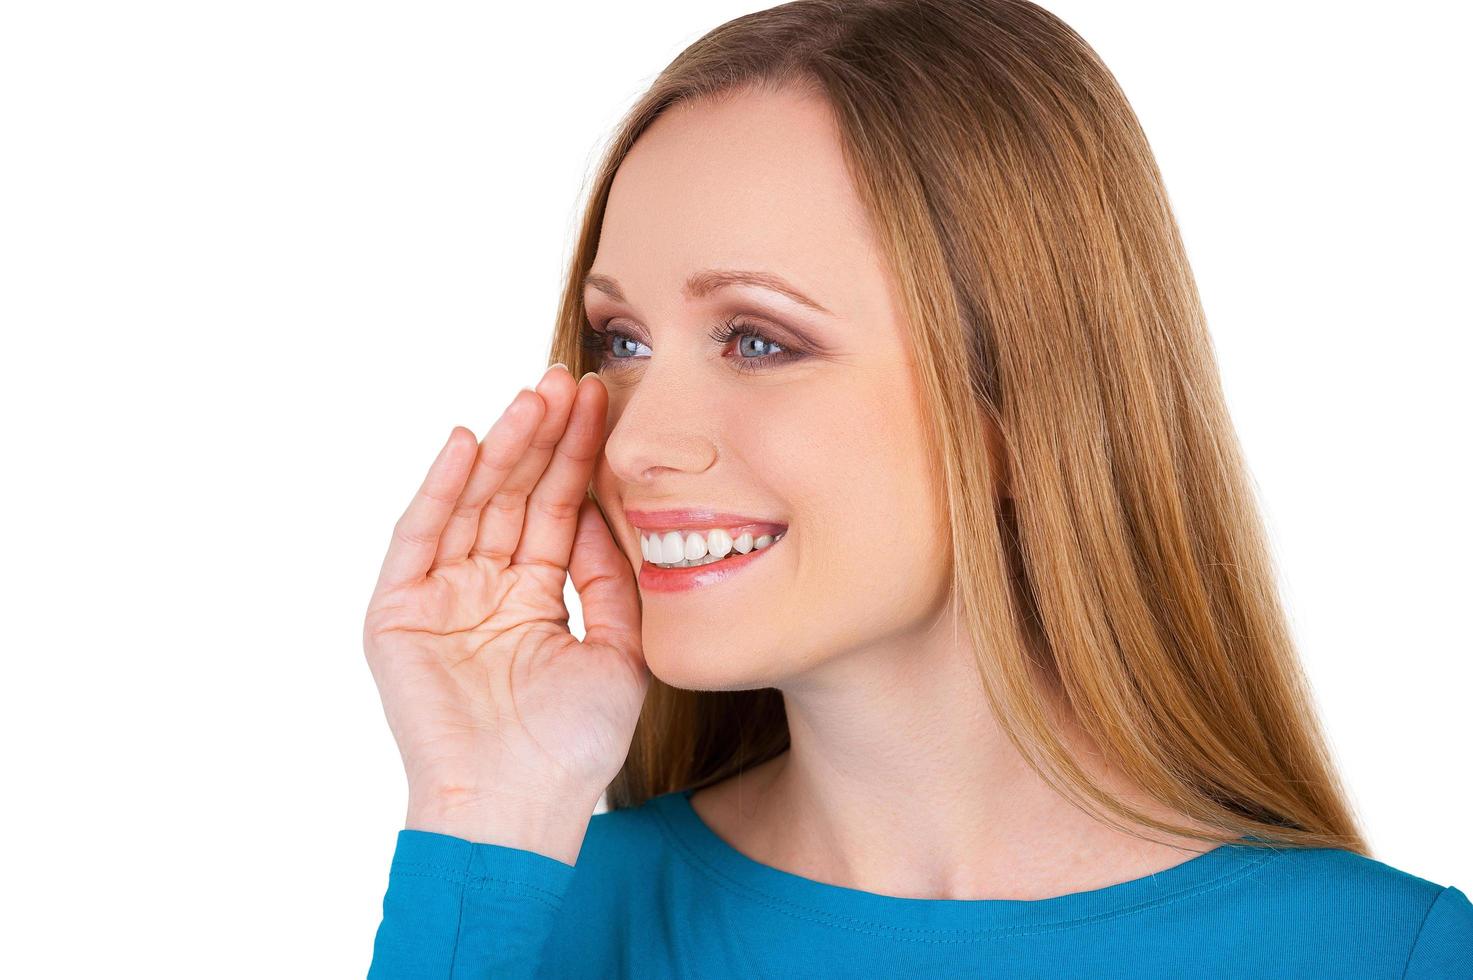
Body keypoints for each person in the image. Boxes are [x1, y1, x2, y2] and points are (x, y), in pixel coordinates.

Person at [362, 1, 1473, 976]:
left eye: (756, 339)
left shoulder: (1391, 954)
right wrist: (483, 801)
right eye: (622, 338)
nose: (635, 439)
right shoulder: (523, 902)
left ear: (1017, 412)